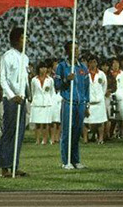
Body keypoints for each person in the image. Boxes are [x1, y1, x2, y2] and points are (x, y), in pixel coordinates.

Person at [0, 27, 29, 178]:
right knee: (9, 132)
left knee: (20, 133)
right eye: (23, 38)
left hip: (22, 99)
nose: (25, 41)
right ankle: (4, 167)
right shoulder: (7, 56)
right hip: (11, 100)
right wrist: (11, 95)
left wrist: (28, 94)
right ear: (16, 40)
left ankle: (15, 166)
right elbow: (3, 79)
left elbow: (24, 79)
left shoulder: (25, 57)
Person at [54, 41, 90, 170]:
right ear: (67, 51)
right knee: (66, 132)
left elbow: (87, 88)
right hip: (68, 102)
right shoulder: (62, 67)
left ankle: (76, 160)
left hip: (80, 104)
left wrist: (87, 104)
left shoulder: (83, 68)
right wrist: (66, 80)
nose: (76, 51)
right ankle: (66, 161)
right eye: (73, 49)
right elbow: (57, 86)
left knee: (76, 132)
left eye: (77, 48)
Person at [83, 56, 107, 144]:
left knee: (100, 121)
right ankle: (85, 139)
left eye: (94, 62)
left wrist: (100, 95)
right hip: (88, 101)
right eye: (91, 62)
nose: (93, 64)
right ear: (88, 63)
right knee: (85, 121)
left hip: (99, 101)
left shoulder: (101, 74)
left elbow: (104, 86)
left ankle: (100, 138)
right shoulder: (85, 74)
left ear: (97, 63)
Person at [29, 61, 54, 145]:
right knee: (38, 123)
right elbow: (32, 91)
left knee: (46, 123)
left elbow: (51, 92)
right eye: (41, 68)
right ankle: (37, 140)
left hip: (47, 103)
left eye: (44, 68)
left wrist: (50, 101)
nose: (43, 70)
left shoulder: (50, 80)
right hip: (37, 102)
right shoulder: (34, 80)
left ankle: (44, 140)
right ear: (38, 69)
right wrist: (33, 100)